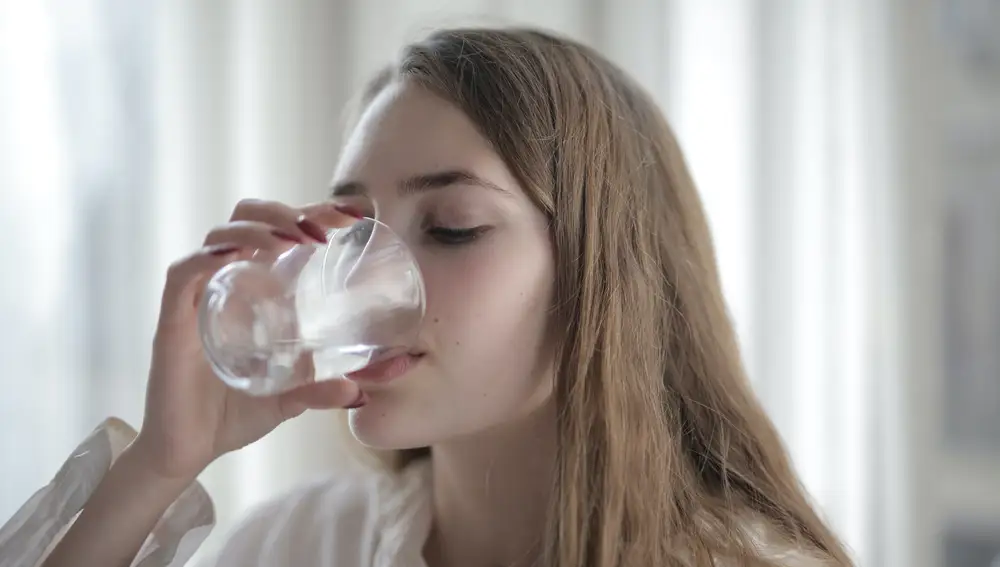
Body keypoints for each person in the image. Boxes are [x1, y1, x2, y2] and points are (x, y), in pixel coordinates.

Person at [2, 27, 853, 567]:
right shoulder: (305, 545)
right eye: (352, 228)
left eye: (449, 227)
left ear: (603, 273)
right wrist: (158, 465)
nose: (362, 275)